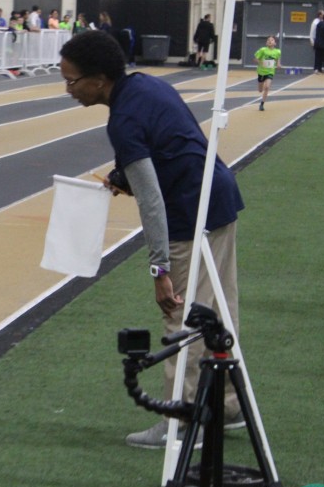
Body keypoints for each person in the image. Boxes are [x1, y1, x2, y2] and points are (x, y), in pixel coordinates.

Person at [58, 31, 245, 448]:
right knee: (219, 309)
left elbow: (152, 201)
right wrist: (121, 175)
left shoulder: (122, 121)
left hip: (187, 213)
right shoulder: (147, 85)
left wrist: (159, 269)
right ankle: (227, 406)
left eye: (71, 81)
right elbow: (171, 145)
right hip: (219, 196)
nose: (68, 90)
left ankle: (183, 419)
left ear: (99, 80)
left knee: (181, 317)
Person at [253, 35, 280, 112]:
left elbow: (277, 59)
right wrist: (261, 62)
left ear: (275, 43)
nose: (270, 41)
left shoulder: (277, 51)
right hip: (261, 72)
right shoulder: (263, 50)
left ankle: (262, 104)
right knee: (260, 90)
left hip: (270, 72)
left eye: (272, 40)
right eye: (268, 40)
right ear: (266, 42)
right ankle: (260, 85)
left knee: (267, 87)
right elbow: (255, 59)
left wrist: (278, 64)